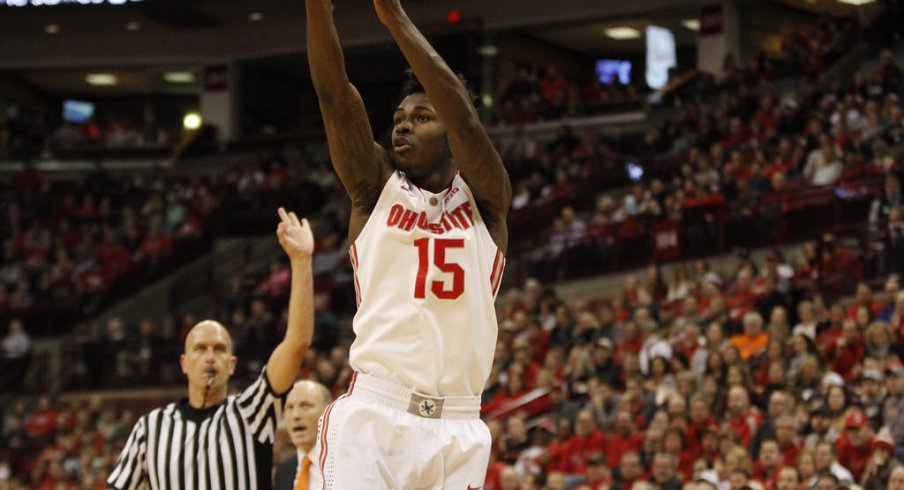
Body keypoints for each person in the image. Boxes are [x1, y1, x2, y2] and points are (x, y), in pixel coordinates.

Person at [305, 0, 511, 486]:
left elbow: (466, 123)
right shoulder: (374, 189)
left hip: (460, 425)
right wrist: (318, 9)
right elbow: (337, 97)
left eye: (422, 117)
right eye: (399, 116)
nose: (402, 124)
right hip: (377, 414)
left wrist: (394, 18)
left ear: (449, 133)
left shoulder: (487, 201)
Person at [107, 208, 315, 490]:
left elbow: (297, 343)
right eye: (200, 349)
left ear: (231, 364)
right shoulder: (150, 428)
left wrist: (301, 261)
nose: (209, 357)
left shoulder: (252, 412)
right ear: (183, 362)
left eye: (219, 349)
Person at [275, 381, 332, 490]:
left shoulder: (345, 462)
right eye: (290, 408)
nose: (295, 415)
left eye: (305, 406)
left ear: (328, 412)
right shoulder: (283, 470)